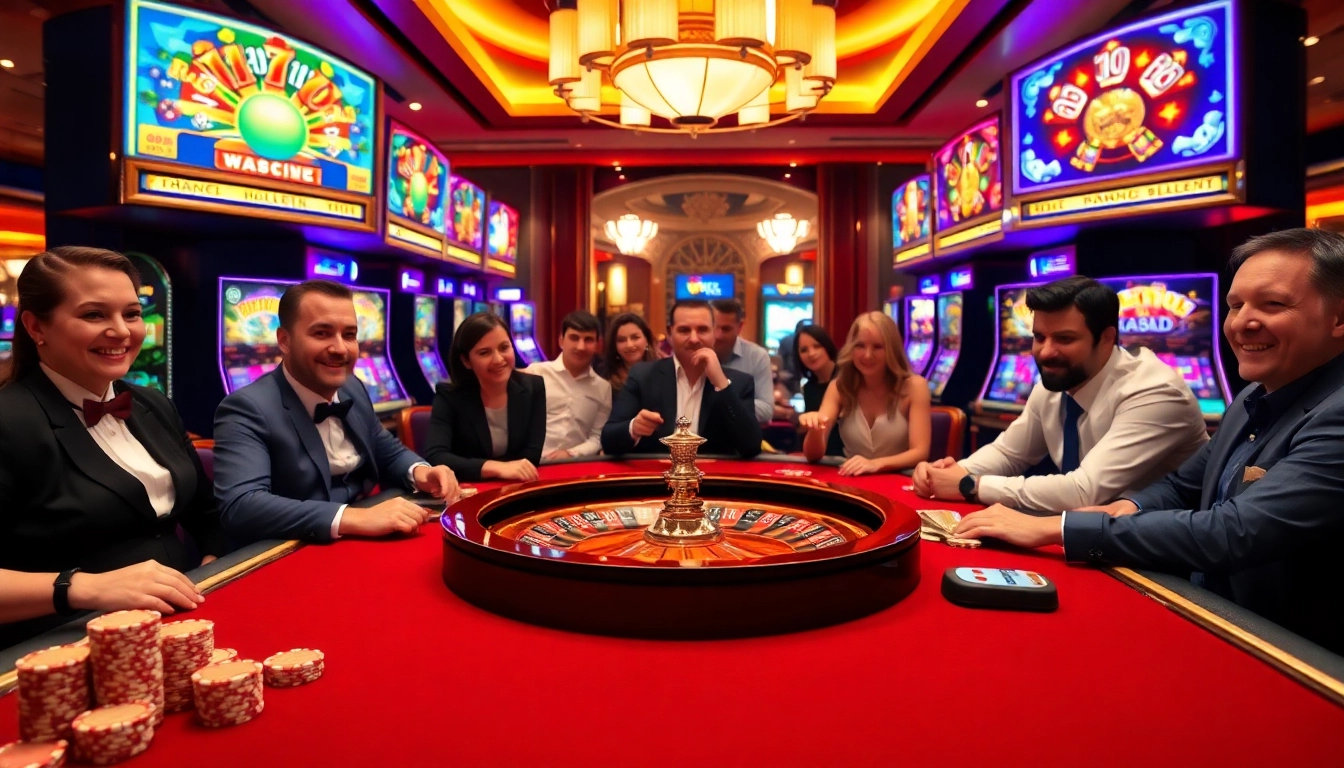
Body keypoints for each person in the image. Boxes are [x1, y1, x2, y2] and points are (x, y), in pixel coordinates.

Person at [954, 229, 1344, 654]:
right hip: (1200, 604)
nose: (1242, 322)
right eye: (1235, 305)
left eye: (1273, 304)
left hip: (1286, 650)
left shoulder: (1335, 412)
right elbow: (1182, 485)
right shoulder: (1254, 395)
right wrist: (1132, 506)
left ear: (1338, 318)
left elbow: (1233, 532)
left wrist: (1056, 527)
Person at [0, 247, 221, 645]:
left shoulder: (151, 403)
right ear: (36, 327)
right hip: (62, 643)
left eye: (132, 313)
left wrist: (213, 564)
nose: (121, 331)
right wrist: (82, 587)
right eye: (94, 314)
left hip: (178, 622)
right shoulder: (9, 420)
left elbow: (207, 512)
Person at [912, 275, 1208, 512]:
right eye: (1039, 337)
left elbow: (1084, 491)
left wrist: (971, 485)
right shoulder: (1055, 384)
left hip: (1162, 556)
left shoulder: (1154, 392)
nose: (1045, 351)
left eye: (1064, 339)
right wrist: (949, 473)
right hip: (1092, 536)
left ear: (1106, 339)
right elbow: (1009, 453)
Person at [214, 280, 458, 546]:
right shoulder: (247, 407)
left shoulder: (353, 387)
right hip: (295, 550)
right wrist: (354, 518)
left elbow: (386, 448)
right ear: (284, 340)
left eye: (349, 335)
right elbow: (242, 506)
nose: (341, 348)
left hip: (365, 538)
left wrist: (420, 472)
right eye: (322, 333)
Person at [601, 299, 762, 457]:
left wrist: (720, 382)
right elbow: (608, 441)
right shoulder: (643, 376)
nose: (693, 339)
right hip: (657, 480)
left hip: (713, 481)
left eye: (702, 330)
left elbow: (750, 446)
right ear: (670, 333)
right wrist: (634, 428)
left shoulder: (740, 383)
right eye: (684, 330)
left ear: (714, 333)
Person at [799, 312, 931, 475]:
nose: (867, 355)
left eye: (877, 347)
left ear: (891, 349)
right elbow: (813, 456)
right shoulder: (839, 386)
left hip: (899, 480)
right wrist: (816, 428)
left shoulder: (915, 386)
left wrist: (876, 464)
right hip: (852, 483)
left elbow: (920, 452)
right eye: (860, 346)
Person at [425, 312, 546, 481]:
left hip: (515, 486)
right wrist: (496, 467)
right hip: (467, 489)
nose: (498, 359)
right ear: (466, 361)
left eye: (504, 348)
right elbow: (436, 456)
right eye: (484, 353)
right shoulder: (449, 396)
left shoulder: (534, 387)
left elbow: (531, 456)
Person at [524, 310, 611, 462]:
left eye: (588, 340)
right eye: (574, 338)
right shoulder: (536, 372)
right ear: (561, 341)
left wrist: (571, 453)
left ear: (598, 345)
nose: (581, 346)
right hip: (530, 464)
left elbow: (597, 437)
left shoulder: (603, 388)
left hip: (574, 467)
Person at [710, 298, 774, 425]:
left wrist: (718, 406)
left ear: (739, 327)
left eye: (726, 329)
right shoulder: (695, 351)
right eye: (713, 327)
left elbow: (766, 409)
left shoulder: (757, 356)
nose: (718, 335)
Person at [795, 324, 844, 457]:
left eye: (817, 346)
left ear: (827, 346)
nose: (811, 354)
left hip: (849, 458)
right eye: (804, 350)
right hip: (822, 459)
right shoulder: (809, 388)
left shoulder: (846, 379)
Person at [601, 312, 658, 393]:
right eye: (622, 340)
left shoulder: (663, 374)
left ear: (647, 340)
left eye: (635, 337)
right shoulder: (604, 379)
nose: (629, 345)